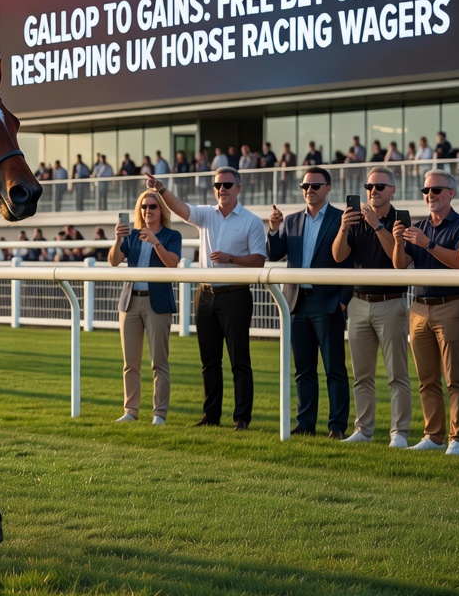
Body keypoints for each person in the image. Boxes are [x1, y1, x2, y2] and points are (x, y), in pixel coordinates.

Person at [147, 167, 267, 430]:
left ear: (238, 188)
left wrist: (230, 259)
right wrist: (161, 189)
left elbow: (259, 259)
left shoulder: (251, 221)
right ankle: (211, 416)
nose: (221, 190)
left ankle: (242, 418)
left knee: (239, 361)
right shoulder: (206, 214)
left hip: (235, 295)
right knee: (209, 361)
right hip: (206, 294)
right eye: (217, 185)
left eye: (226, 185)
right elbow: (180, 208)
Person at [267, 167, 352, 438]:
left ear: (328, 187)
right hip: (296, 303)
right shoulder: (291, 221)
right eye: (305, 187)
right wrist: (273, 228)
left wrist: (343, 300)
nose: (309, 191)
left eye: (315, 186)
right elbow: (275, 253)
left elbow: (352, 262)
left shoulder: (342, 218)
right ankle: (306, 424)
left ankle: (337, 426)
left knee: (334, 368)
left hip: (327, 303)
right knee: (303, 370)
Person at [393, 169, 459, 456]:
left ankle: (458, 439)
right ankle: (433, 435)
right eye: (426, 191)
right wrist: (400, 242)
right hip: (419, 307)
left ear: (451, 193)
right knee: (427, 379)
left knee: (455, 379)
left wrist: (427, 243)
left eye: (436, 190)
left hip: (451, 305)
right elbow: (400, 266)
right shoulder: (419, 225)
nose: (430, 196)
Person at [332, 167, 411, 447]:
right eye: (369, 186)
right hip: (359, 304)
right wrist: (343, 226)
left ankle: (399, 432)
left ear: (392, 190)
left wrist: (377, 224)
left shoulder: (401, 219)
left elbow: (397, 259)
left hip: (391, 303)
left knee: (397, 374)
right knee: (361, 375)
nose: (373, 191)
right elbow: (339, 255)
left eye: (379, 187)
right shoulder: (355, 220)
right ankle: (363, 430)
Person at [109, 189, 182, 425]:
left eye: (152, 206)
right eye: (143, 206)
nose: (147, 211)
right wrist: (118, 239)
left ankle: (159, 414)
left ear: (161, 210)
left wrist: (156, 242)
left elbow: (172, 264)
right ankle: (131, 411)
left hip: (157, 303)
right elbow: (113, 261)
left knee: (159, 362)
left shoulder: (172, 235)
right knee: (130, 363)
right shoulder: (131, 235)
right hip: (130, 302)